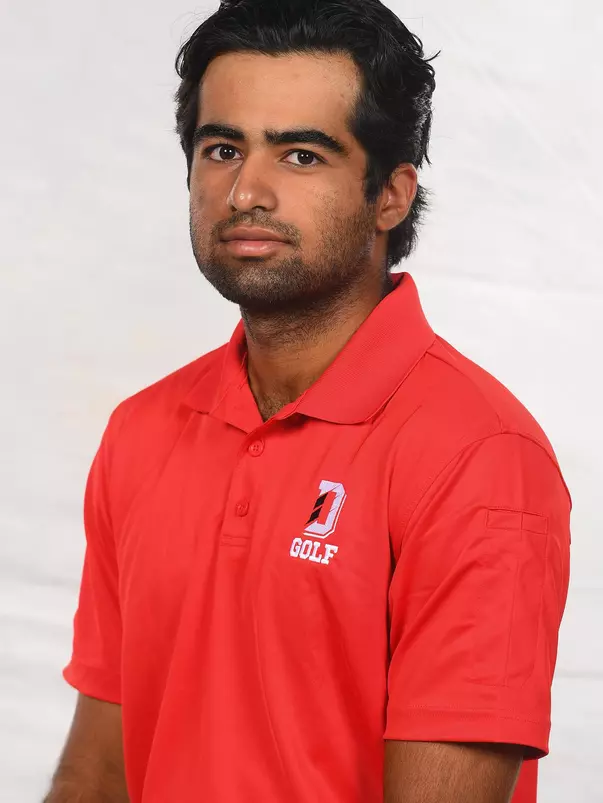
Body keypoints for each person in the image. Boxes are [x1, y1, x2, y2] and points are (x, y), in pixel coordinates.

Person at [44, 1, 571, 802]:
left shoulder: (478, 458)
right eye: (222, 148)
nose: (246, 190)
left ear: (389, 196)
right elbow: (97, 772)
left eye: (299, 155)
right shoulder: (142, 431)